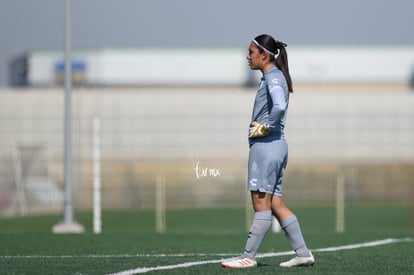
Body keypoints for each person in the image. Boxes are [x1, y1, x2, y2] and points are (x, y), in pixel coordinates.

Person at [221, 34, 315, 268]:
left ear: (264, 55)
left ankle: (248, 257)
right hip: (277, 146)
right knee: (275, 204)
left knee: (260, 204)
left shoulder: (273, 76)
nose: (247, 56)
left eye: (251, 52)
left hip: (266, 147)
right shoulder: (274, 76)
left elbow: (280, 105)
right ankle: (303, 253)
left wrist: (265, 127)